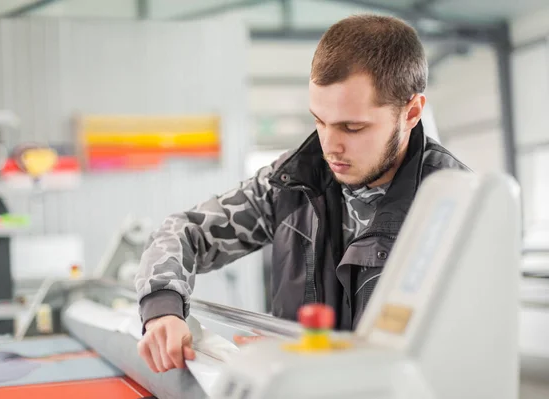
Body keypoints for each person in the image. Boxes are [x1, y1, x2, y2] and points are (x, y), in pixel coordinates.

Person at [135, 14, 470, 373]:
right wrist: (162, 309)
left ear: (412, 112)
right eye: (319, 121)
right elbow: (183, 232)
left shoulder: (457, 206)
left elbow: (463, 355)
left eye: (352, 127)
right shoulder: (291, 183)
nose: (330, 147)